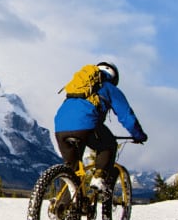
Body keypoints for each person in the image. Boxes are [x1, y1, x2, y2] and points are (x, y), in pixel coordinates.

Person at [53, 62, 147, 193]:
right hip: (87, 125)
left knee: (72, 173)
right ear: (114, 77)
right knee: (108, 145)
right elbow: (126, 115)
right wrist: (139, 135)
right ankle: (99, 177)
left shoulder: (77, 85)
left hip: (60, 127)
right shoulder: (108, 87)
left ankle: (64, 208)